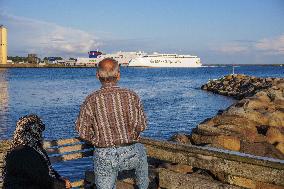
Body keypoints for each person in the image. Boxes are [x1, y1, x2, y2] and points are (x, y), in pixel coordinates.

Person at [76, 58, 149, 189]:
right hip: (132, 152)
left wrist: (98, 138)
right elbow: (142, 126)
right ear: (118, 75)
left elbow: (82, 132)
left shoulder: (91, 100)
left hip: (105, 154)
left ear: (97, 75)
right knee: (142, 157)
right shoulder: (131, 96)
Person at [3, 114, 72, 189]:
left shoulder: (35, 147)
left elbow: (46, 169)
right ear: (34, 131)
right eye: (39, 129)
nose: (41, 133)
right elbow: (41, 179)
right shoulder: (24, 153)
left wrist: (59, 177)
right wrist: (63, 185)